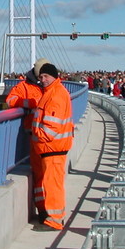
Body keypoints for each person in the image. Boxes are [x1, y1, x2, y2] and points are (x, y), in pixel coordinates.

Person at [30, 62, 74, 231]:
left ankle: (55, 220)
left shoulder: (56, 95)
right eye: (40, 77)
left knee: (53, 185)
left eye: (46, 76)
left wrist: (37, 136)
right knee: (49, 183)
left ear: (54, 76)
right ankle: (49, 215)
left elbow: (51, 129)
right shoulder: (51, 92)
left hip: (53, 148)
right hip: (50, 149)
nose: (43, 80)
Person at [6, 60, 47, 223]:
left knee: (48, 177)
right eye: (42, 75)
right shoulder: (24, 87)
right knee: (39, 175)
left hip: (49, 140)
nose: (44, 79)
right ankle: (43, 209)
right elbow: (10, 100)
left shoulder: (51, 87)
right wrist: (29, 103)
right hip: (34, 135)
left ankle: (48, 209)